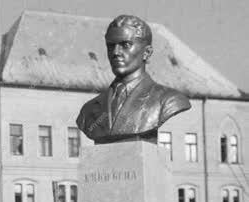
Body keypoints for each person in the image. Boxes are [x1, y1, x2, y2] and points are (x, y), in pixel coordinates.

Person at [76, 15, 191, 143]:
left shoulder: (168, 100)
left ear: (146, 52)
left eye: (125, 45)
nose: (116, 52)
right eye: (111, 46)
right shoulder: (88, 110)